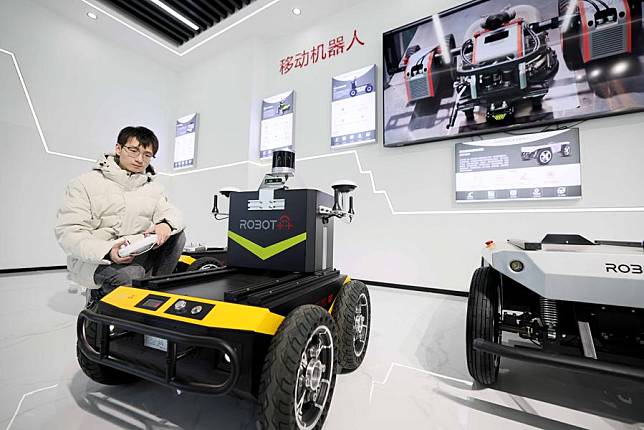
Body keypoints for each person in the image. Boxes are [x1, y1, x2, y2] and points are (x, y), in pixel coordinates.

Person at [55, 126, 185, 300]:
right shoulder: (84, 184)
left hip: (135, 252)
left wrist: (166, 223)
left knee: (177, 236)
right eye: (133, 151)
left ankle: (153, 291)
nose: (140, 159)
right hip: (96, 260)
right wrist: (108, 251)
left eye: (147, 155)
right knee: (132, 274)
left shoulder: (154, 188)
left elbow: (172, 212)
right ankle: (98, 299)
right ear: (118, 148)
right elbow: (69, 233)